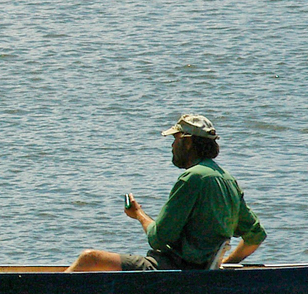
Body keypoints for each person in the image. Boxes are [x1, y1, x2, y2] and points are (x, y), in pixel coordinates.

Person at [66, 113, 266, 272]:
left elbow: (159, 238)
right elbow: (255, 235)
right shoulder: (228, 180)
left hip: (174, 268)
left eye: (175, 139)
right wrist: (219, 267)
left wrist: (138, 214)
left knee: (89, 258)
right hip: (199, 270)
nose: (172, 145)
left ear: (187, 142)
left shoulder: (193, 178)